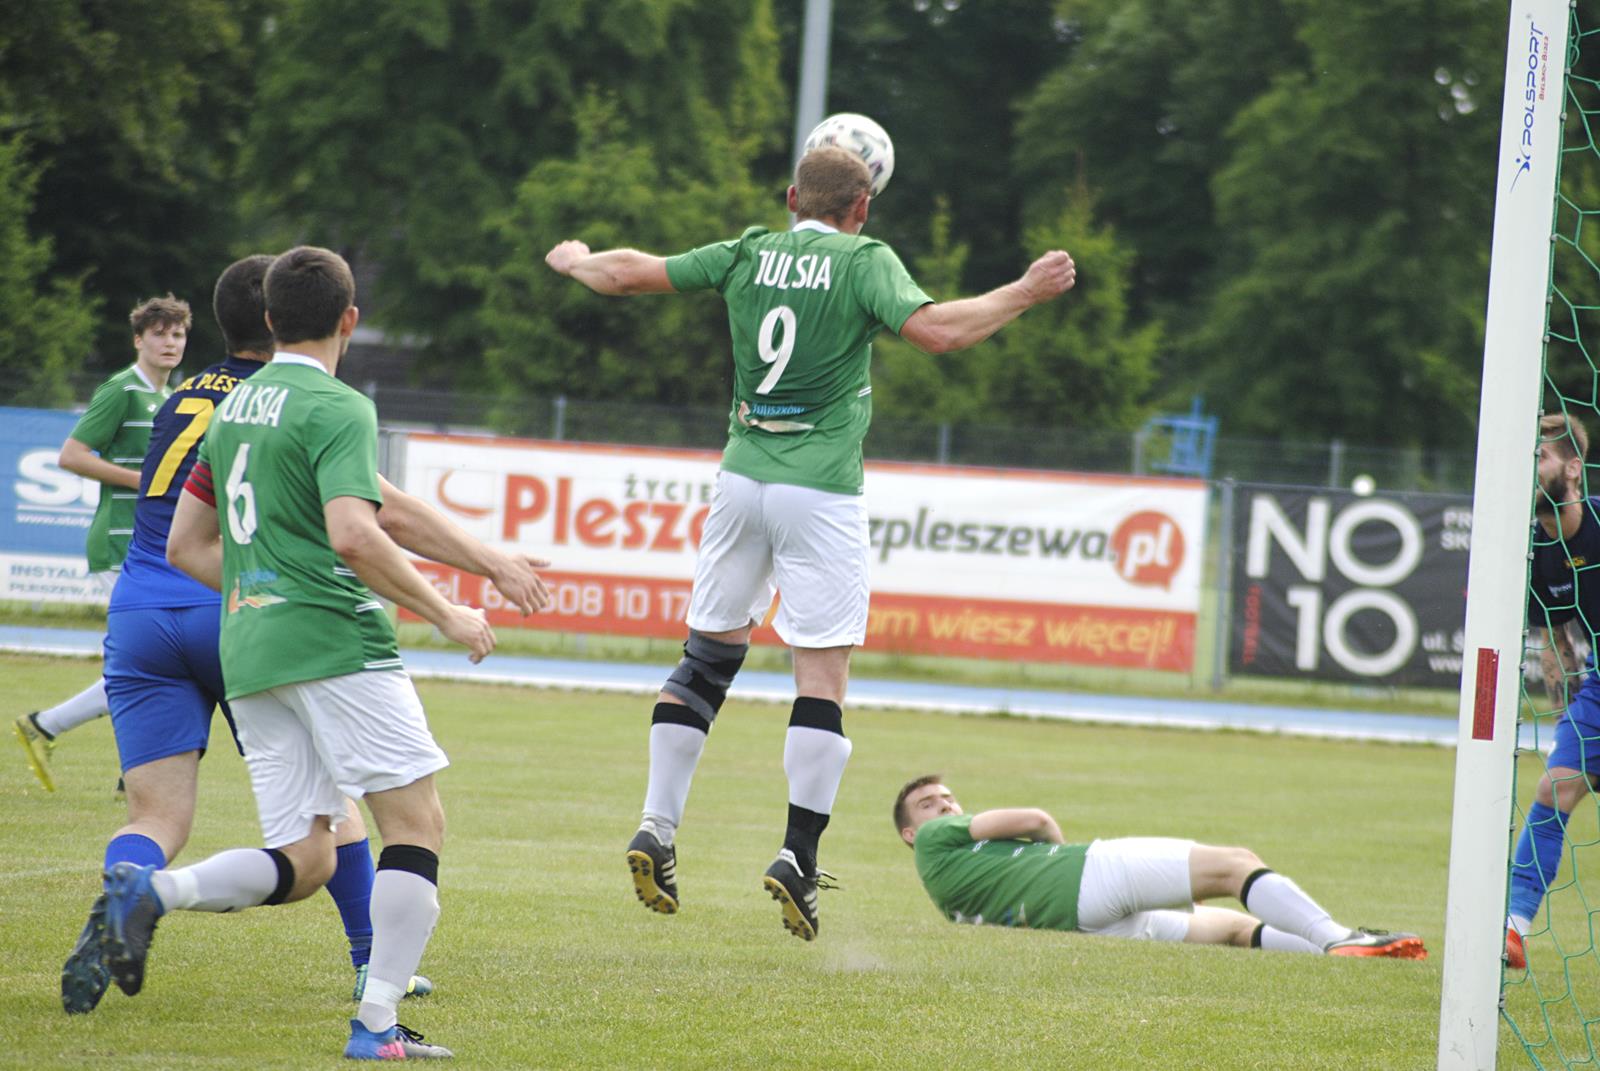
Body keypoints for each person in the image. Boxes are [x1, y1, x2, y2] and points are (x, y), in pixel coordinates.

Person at [545, 146, 1076, 942]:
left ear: (793, 197)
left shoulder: (750, 251)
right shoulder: (865, 259)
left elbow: (630, 274)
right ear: (862, 207)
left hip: (740, 480)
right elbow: (937, 332)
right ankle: (797, 854)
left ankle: (657, 825)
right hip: (820, 491)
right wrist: (1026, 291)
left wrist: (579, 259)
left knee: (705, 659)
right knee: (820, 674)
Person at [59, 255, 551, 1018]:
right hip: (329, 638)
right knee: (416, 824)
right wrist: (447, 608)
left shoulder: (230, 410)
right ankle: (378, 1016)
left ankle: (152, 888)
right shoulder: (338, 406)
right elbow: (359, 530)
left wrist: (264, 582)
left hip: (235, 640)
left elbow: (186, 546)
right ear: (348, 321)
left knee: (306, 855)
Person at [893, 775, 1426, 958]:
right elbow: (1036, 817)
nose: (944, 806)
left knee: (1235, 930)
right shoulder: (937, 839)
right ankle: (1339, 940)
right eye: (929, 803)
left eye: (949, 798)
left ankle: (1349, 952)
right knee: (1236, 865)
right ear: (909, 833)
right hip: (1089, 875)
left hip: (1088, 927)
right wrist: (1057, 850)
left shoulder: (945, 892)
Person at [14, 295, 189, 792]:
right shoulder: (122, 390)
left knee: (153, 659)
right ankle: (112, 759)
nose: (169, 342)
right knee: (149, 660)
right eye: (159, 333)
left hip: (152, 546)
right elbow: (71, 456)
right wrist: (142, 482)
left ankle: (49, 728)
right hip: (120, 542)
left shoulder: (167, 396)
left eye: (177, 334)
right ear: (139, 339)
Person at [1508, 411, 1599, 970]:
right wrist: (1573, 726)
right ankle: (1513, 930)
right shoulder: (1533, 554)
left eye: (1539, 456)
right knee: (1552, 789)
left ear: (1572, 467)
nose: (1529, 465)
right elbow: (1554, 646)